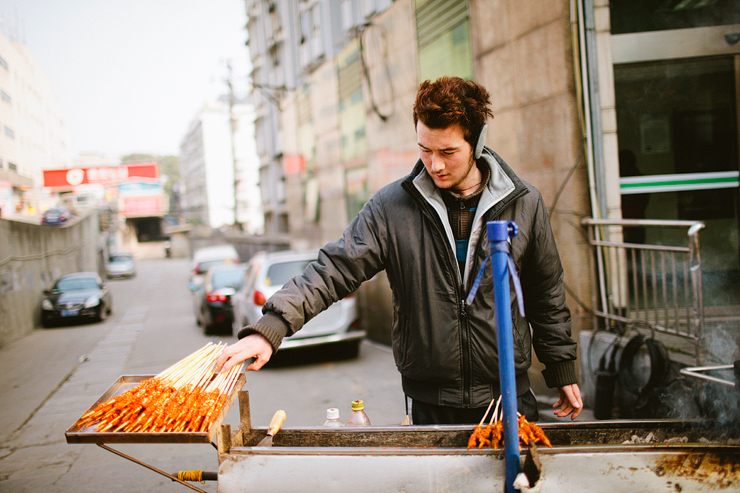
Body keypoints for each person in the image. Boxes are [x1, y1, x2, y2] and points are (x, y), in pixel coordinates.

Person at [217, 76, 583, 424]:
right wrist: (271, 326)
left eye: (448, 152)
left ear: (479, 142)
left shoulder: (524, 202)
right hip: (430, 403)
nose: (435, 164)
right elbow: (335, 269)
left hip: (508, 396)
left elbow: (545, 293)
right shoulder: (392, 207)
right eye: (425, 150)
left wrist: (561, 368)